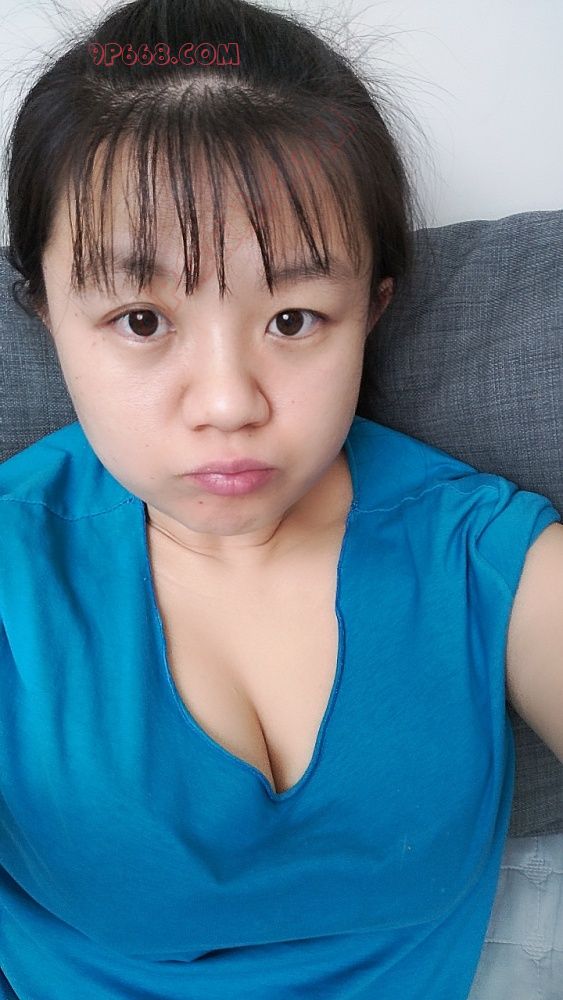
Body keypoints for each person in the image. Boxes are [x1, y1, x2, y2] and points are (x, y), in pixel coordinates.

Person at [0, 1, 561, 997]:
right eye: (140, 321)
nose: (228, 403)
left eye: (295, 319)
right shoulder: (15, 570)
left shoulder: (484, 556)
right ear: (44, 309)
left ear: (370, 308)